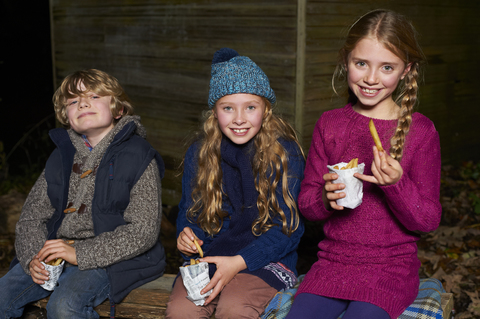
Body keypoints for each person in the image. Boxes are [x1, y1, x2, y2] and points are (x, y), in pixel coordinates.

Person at [286, 9, 441, 319]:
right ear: (346, 62)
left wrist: (396, 185)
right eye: (361, 64)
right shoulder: (330, 125)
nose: (371, 78)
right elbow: (307, 206)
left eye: (387, 67)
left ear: (405, 70)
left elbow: (427, 221)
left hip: (391, 270)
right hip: (332, 264)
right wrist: (326, 198)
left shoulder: (420, 133)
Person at [0, 69, 166, 319]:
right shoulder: (61, 157)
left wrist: (80, 253)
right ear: (66, 116)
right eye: (73, 101)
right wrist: (33, 257)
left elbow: (142, 230)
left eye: (95, 96)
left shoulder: (139, 156)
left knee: (64, 306)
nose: (83, 103)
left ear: (118, 109)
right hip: (56, 253)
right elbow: (31, 218)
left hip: (112, 258)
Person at [165, 48, 305, 319]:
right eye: (228, 108)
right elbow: (190, 212)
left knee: (234, 309)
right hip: (211, 258)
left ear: (265, 110)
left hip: (265, 260)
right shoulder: (200, 153)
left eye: (250, 107)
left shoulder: (284, 154)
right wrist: (186, 234)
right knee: (181, 311)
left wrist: (238, 263)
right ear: (214, 112)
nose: (239, 118)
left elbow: (289, 229)